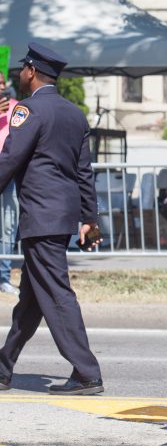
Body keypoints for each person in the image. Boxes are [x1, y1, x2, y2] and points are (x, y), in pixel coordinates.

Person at [0, 42, 104, 394]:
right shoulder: (75, 114)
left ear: (31, 71)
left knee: (57, 294)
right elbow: (84, 173)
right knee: (31, 299)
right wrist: (91, 218)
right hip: (60, 216)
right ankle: (3, 366)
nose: (20, 73)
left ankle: (87, 371)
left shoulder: (28, 112)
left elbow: (10, 159)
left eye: (23, 69)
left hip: (40, 216)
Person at [0, 71, 19, 294]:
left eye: (3, 83)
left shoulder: (16, 107)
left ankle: (3, 276)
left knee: (8, 225)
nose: (1, 86)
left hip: (9, 175)